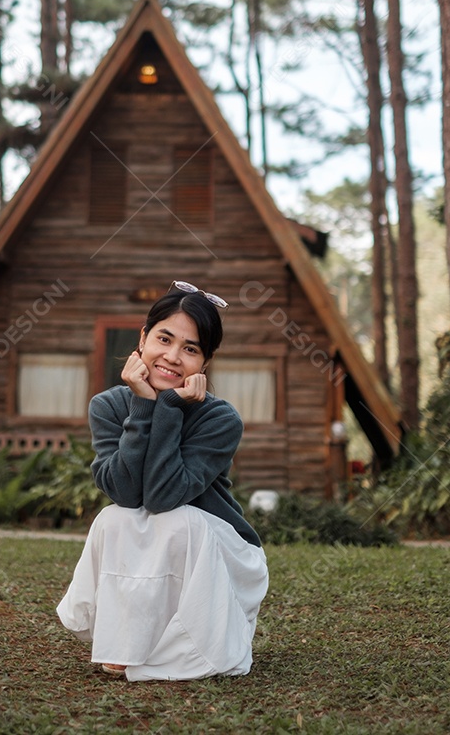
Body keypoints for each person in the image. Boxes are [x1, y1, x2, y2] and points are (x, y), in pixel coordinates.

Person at [56, 281, 269, 682]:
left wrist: (166, 405)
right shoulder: (108, 406)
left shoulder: (220, 419)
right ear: (143, 339)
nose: (172, 357)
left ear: (205, 363)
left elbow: (163, 495)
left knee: (175, 519)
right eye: (164, 339)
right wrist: (142, 404)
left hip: (222, 550)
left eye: (190, 349)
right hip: (163, 536)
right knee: (114, 518)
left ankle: (201, 639)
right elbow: (124, 493)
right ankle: (127, 643)